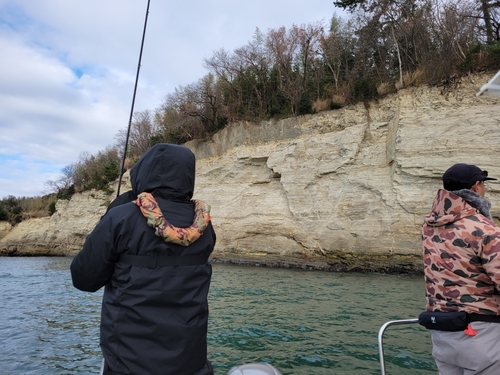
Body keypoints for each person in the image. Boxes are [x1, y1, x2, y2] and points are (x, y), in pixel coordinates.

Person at [70, 143, 216, 375]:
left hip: (128, 364)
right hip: (190, 363)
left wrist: (110, 216)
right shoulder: (204, 227)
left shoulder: (122, 217)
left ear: (144, 172)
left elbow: (83, 278)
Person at [421, 163, 500, 374]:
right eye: (483, 185)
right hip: (480, 331)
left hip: (441, 330)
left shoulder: (429, 227)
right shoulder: (484, 229)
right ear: (476, 187)